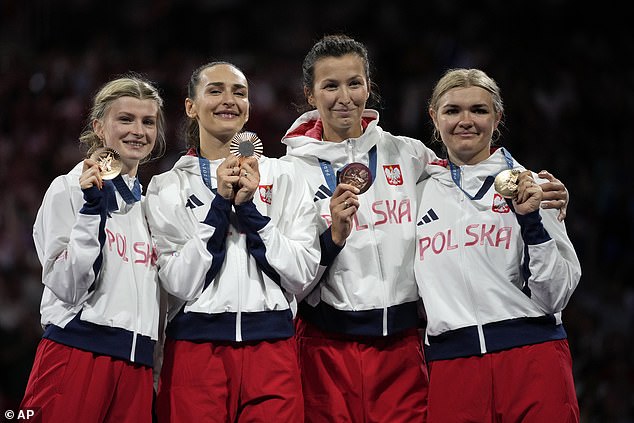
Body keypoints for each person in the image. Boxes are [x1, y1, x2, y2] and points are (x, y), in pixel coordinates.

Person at [281, 34, 571, 423]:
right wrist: (330, 239)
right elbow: (288, 274)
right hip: (325, 346)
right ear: (310, 94)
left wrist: (543, 192)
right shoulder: (286, 172)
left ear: (369, 86)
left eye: (354, 83)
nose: (344, 96)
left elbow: (469, 173)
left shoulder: (410, 156)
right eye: (330, 85)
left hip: (405, 349)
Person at [145, 61, 321, 422]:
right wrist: (219, 207)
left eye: (239, 93)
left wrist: (252, 213)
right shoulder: (166, 187)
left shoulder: (285, 176)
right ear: (191, 107)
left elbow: (302, 272)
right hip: (195, 353)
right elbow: (180, 281)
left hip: (272, 350)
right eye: (215, 91)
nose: (229, 100)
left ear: (248, 108)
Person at [415, 68, 581, 422]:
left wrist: (531, 222)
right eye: (452, 110)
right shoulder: (418, 192)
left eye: (479, 110)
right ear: (434, 116)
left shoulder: (533, 186)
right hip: (452, 365)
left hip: (532, 359)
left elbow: (556, 295)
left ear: (497, 117)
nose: (466, 121)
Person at [20, 75, 167, 422]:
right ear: (100, 127)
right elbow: (67, 285)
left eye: (148, 122)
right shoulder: (67, 189)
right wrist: (91, 211)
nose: (138, 131)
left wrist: (155, 369)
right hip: (77, 353)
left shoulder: (152, 207)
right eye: (125, 119)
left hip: (137, 368)